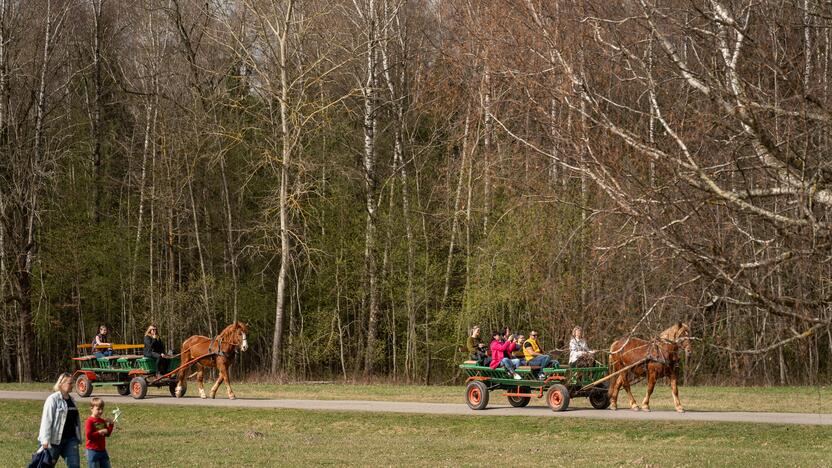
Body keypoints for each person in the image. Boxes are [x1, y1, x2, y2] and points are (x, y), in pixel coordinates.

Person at [38, 373, 81, 468]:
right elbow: (46, 420)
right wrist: (45, 441)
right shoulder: (52, 399)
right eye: (70, 383)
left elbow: (76, 422)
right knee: (46, 466)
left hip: (70, 440)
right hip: (54, 441)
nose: (72, 385)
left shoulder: (72, 400)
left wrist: (78, 437)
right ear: (61, 384)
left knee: (75, 466)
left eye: (72, 383)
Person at [85, 397, 115, 468]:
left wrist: (111, 425)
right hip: (92, 451)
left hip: (102, 450)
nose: (101, 411)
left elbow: (107, 434)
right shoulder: (89, 421)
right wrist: (99, 432)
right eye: (98, 409)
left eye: (102, 409)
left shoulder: (102, 421)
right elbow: (89, 436)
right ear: (91, 408)